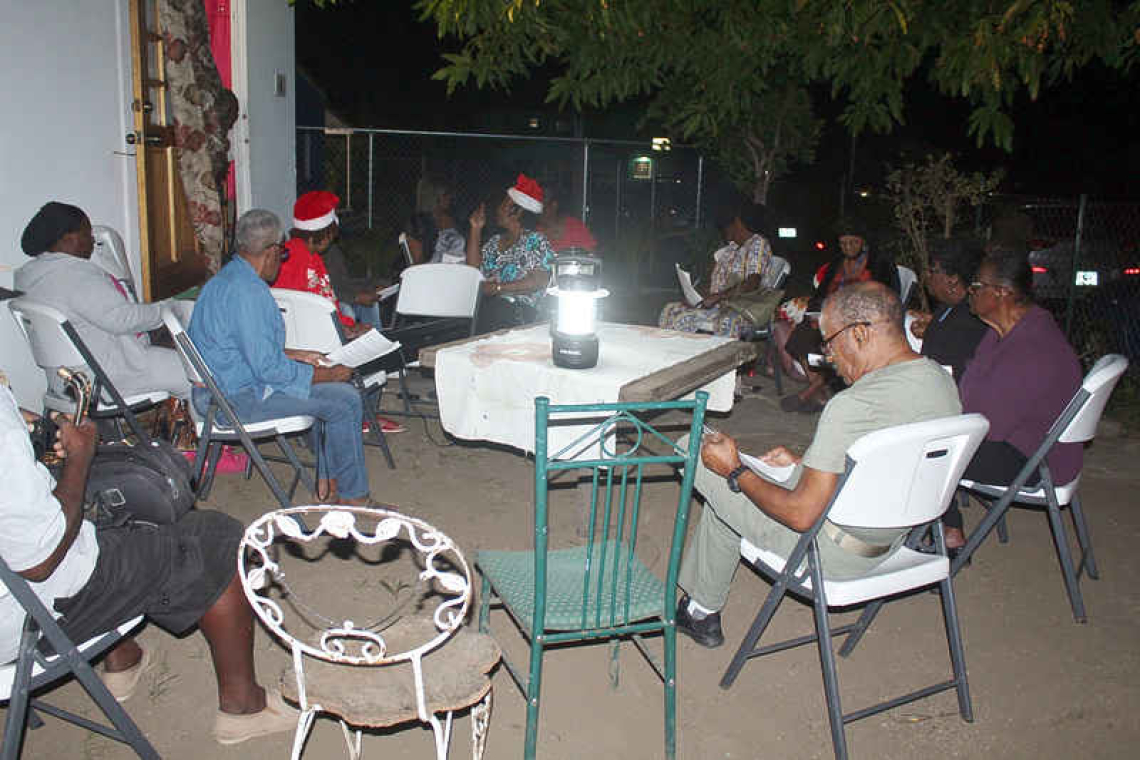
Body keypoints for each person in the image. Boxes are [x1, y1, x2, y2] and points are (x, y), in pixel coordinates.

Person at [0, 382, 297, 744]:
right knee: (217, 538)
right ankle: (244, 707)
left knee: (120, 506)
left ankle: (122, 662)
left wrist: (26, 424)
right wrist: (79, 457)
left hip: (19, 592)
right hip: (30, 615)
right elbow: (41, 560)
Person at [674, 282, 961, 648]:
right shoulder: (941, 381)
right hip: (891, 538)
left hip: (831, 551)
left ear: (859, 333)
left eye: (828, 342)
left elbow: (801, 516)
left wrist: (735, 470)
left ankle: (701, 610)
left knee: (694, 450)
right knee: (733, 492)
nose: (827, 356)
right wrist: (805, 463)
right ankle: (700, 612)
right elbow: (886, 458)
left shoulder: (852, 406)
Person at [189, 209, 372, 505]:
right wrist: (329, 374)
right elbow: (269, 370)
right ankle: (356, 497)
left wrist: (301, 355)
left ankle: (330, 482)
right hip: (235, 400)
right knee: (344, 399)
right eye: (282, 253)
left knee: (328, 391)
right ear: (272, 251)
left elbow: (246, 348)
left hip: (223, 389)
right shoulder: (249, 292)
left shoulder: (227, 279)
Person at [942, 251, 1082, 553]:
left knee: (924, 452)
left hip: (1035, 461)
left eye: (976, 286)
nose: (970, 292)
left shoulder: (1031, 349)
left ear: (1002, 293)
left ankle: (949, 530)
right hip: (1025, 444)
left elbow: (986, 427)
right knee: (927, 431)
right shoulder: (1007, 331)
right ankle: (946, 524)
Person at [15, 202, 191, 401]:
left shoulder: (28, 276)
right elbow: (123, 319)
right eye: (87, 233)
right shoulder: (75, 275)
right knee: (197, 370)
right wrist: (170, 307)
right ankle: (211, 428)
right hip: (108, 379)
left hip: (65, 381)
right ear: (68, 238)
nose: (91, 240)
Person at [274, 192, 404, 434]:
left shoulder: (284, 256)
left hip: (292, 344)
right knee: (375, 345)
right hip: (318, 347)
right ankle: (364, 415)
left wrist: (346, 325)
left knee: (364, 331)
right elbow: (322, 307)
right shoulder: (309, 260)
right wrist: (348, 329)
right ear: (324, 232)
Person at [774, 221, 899, 414]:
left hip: (863, 322)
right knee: (802, 335)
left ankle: (809, 393)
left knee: (839, 344)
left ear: (863, 242)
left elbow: (888, 298)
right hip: (832, 317)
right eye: (844, 244)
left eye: (853, 243)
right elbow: (821, 294)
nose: (848, 248)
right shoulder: (837, 263)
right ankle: (820, 391)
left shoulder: (879, 264)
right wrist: (815, 314)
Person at [658, 199, 775, 338]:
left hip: (740, 308)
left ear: (737, 223)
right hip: (717, 306)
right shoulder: (731, 249)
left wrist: (719, 297)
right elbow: (712, 283)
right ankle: (675, 355)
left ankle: (721, 357)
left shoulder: (757, 244)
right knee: (671, 310)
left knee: (726, 321)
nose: (723, 231)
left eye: (725, 226)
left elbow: (752, 283)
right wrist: (696, 299)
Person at [466, 174, 556, 333]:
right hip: (491, 310)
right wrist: (475, 229)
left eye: (503, 204)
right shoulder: (495, 242)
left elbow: (538, 281)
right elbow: (472, 272)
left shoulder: (535, 240)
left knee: (492, 311)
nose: (498, 209)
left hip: (518, 315)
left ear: (517, 212)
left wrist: (497, 288)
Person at [272, 191, 369, 339]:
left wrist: (349, 325)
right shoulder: (301, 261)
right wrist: (347, 329)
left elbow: (327, 303)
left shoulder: (306, 254)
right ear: (319, 237)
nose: (330, 241)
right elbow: (307, 312)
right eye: (329, 236)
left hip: (313, 331)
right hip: (310, 337)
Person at [908, 238, 989, 382]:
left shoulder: (963, 327)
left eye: (933, 271)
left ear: (953, 280)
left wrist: (932, 333)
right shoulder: (954, 305)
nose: (927, 276)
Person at [406, 185, 466, 264]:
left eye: (449, 194)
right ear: (433, 197)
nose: (449, 198)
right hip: (433, 271)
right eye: (445, 194)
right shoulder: (419, 223)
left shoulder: (455, 218)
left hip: (461, 269)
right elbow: (417, 261)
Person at [536, 184, 598, 255]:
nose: (536, 209)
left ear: (554, 205)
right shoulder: (534, 233)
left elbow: (592, 256)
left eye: (541, 204)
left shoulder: (574, 226)